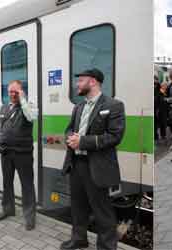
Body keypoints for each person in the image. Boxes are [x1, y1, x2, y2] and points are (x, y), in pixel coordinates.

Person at [60, 68, 124, 250]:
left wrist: (83, 141)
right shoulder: (78, 107)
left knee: (102, 210)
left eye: (80, 81)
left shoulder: (114, 105)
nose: (77, 84)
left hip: (97, 167)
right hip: (76, 164)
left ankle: (106, 247)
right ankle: (79, 239)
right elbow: (69, 129)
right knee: (78, 206)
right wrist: (70, 138)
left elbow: (115, 136)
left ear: (93, 82)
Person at [0, 80, 37, 231]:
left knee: (27, 184)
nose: (12, 94)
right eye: (10, 91)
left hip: (23, 153)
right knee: (7, 182)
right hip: (5, 152)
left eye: (15, 92)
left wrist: (23, 99)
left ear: (21, 91)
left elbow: (31, 117)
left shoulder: (29, 105)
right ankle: (8, 209)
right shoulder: (4, 107)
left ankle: (30, 216)